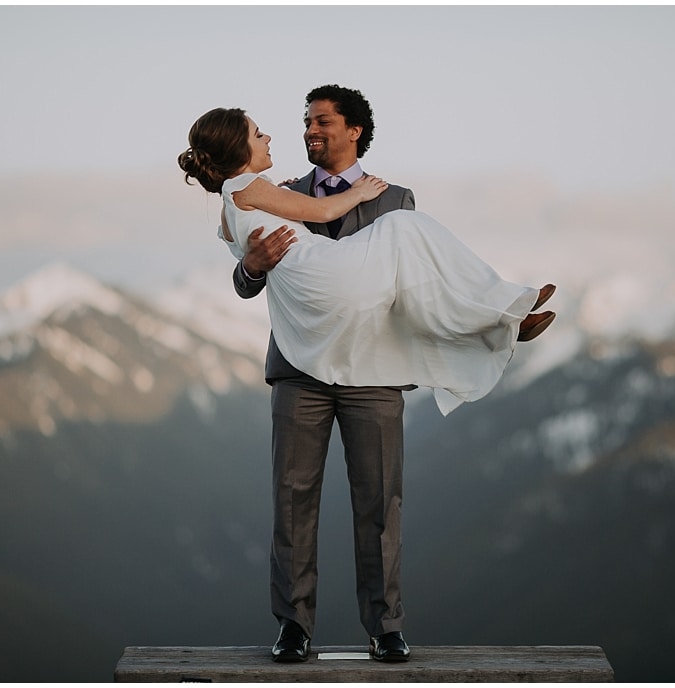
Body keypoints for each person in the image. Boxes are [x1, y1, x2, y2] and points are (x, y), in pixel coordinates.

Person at [178, 86, 555, 664]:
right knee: (291, 497)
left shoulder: (395, 197)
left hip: (373, 370)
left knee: (381, 500)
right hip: (300, 369)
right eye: (304, 122)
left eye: (321, 122)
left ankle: (385, 626)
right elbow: (244, 274)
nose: (307, 131)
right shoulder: (279, 192)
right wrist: (251, 268)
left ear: (355, 130)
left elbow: (421, 291)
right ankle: (294, 627)